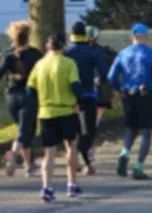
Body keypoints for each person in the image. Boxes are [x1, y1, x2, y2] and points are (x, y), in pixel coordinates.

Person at [26, 32, 82, 202]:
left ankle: (47, 188)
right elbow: (75, 86)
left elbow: (30, 90)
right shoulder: (69, 63)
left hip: (46, 112)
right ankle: (71, 185)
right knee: (71, 147)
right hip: (66, 110)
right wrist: (80, 101)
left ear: (47, 46)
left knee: (48, 152)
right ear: (63, 46)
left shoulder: (39, 65)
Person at [107, 24, 152, 180]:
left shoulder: (123, 53)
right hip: (144, 94)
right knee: (146, 132)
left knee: (131, 128)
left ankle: (124, 153)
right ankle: (139, 166)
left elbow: (111, 76)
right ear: (146, 37)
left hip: (128, 94)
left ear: (132, 37)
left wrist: (119, 89)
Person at [65, 21, 108, 176]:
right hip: (88, 96)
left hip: (68, 98)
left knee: (72, 132)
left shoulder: (65, 53)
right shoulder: (93, 52)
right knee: (88, 132)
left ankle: (74, 159)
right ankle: (86, 162)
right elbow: (103, 74)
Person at [1, 21, 42, 177]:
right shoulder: (35, 54)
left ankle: (28, 164)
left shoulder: (8, 55)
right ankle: (13, 155)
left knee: (22, 129)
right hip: (29, 96)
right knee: (27, 130)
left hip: (11, 96)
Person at [87, 26, 116, 128]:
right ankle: (94, 126)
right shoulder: (105, 51)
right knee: (99, 108)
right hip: (101, 87)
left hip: (85, 87)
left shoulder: (75, 51)